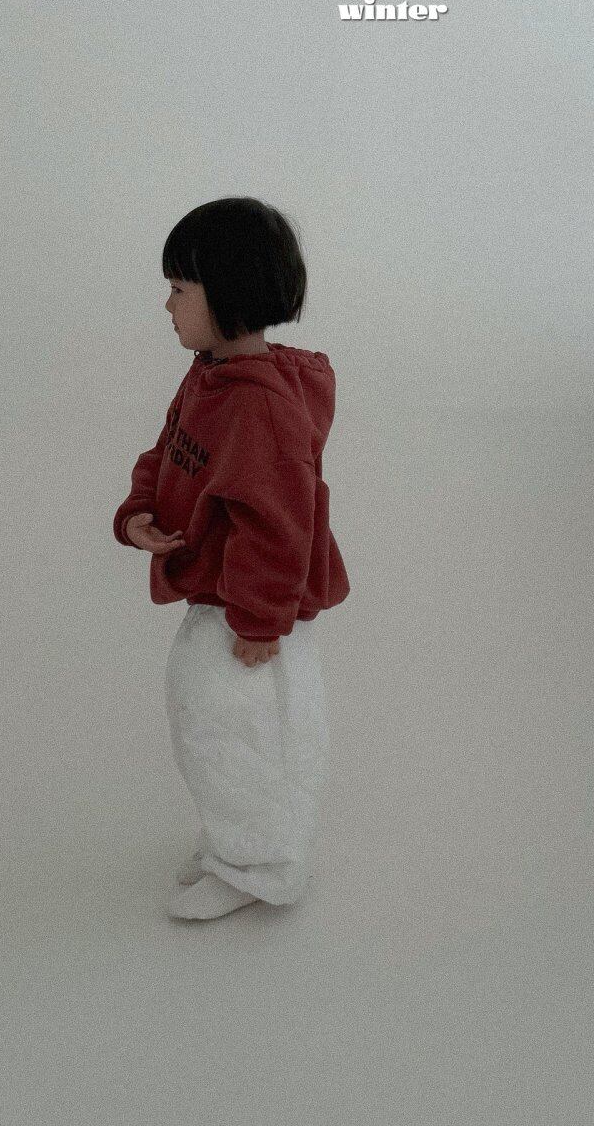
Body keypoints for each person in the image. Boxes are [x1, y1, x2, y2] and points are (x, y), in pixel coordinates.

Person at [112, 197, 350, 921]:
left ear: (229, 294)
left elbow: (280, 525)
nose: (168, 305)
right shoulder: (207, 375)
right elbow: (168, 448)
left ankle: (259, 865)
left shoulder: (261, 407)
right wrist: (140, 512)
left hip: (248, 613)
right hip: (223, 599)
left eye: (180, 289)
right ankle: (234, 842)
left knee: (239, 733)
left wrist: (258, 621)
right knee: (208, 727)